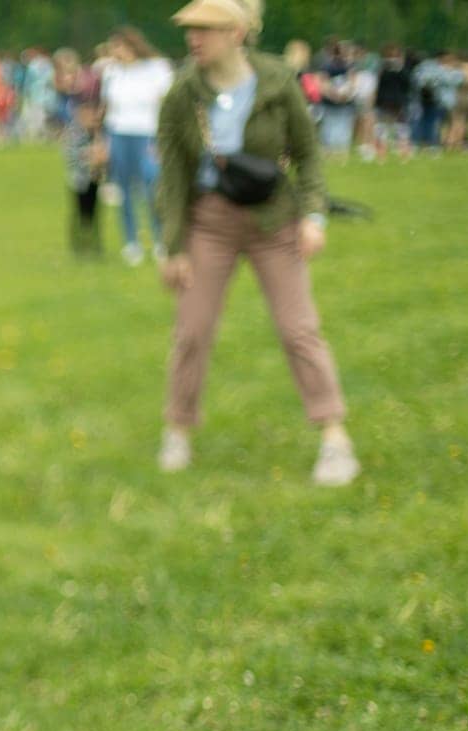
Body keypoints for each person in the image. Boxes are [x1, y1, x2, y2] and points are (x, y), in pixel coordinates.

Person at [155, 0, 359, 486]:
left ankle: (335, 440)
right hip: (210, 223)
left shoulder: (276, 81)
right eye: (190, 29)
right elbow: (172, 176)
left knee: (298, 329)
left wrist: (313, 215)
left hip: (275, 221)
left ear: (237, 32)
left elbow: (308, 155)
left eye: (205, 28)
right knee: (192, 330)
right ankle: (178, 431)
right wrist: (174, 246)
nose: (193, 38)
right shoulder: (182, 93)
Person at [101, 26, 176, 266]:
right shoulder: (112, 73)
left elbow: (167, 105)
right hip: (120, 133)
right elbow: (109, 109)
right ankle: (131, 242)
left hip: (147, 134)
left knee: (151, 187)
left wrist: (163, 139)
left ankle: (159, 240)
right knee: (124, 190)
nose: (116, 53)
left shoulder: (156, 69)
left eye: (119, 47)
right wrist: (104, 140)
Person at [65, 93, 109, 257]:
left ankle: (93, 245)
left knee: (94, 214)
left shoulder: (98, 131)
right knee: (81, 214)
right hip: (80, 181)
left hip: (95, 180)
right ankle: (79, 245)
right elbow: (74, 157)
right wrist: (92, 156)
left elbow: (103, 155)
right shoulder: (75, 132)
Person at [317, 40, 360, 154]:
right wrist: (334, 95)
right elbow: (323, 83)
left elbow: (353, 83)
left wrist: (345, 95)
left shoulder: (350, 67)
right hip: (330, 104)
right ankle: (328, 150)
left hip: (345, 104)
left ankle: (341, 151)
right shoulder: (327, 66)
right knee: (328, 128)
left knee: (344, 130)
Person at [373, 44, 414, 158]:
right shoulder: (390, 70)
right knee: (388, 127)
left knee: (396, 127)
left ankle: (400, 151)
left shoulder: (385, 70)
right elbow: (408, 85)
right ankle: (384, 152)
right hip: (393, 102)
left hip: (392, 102)